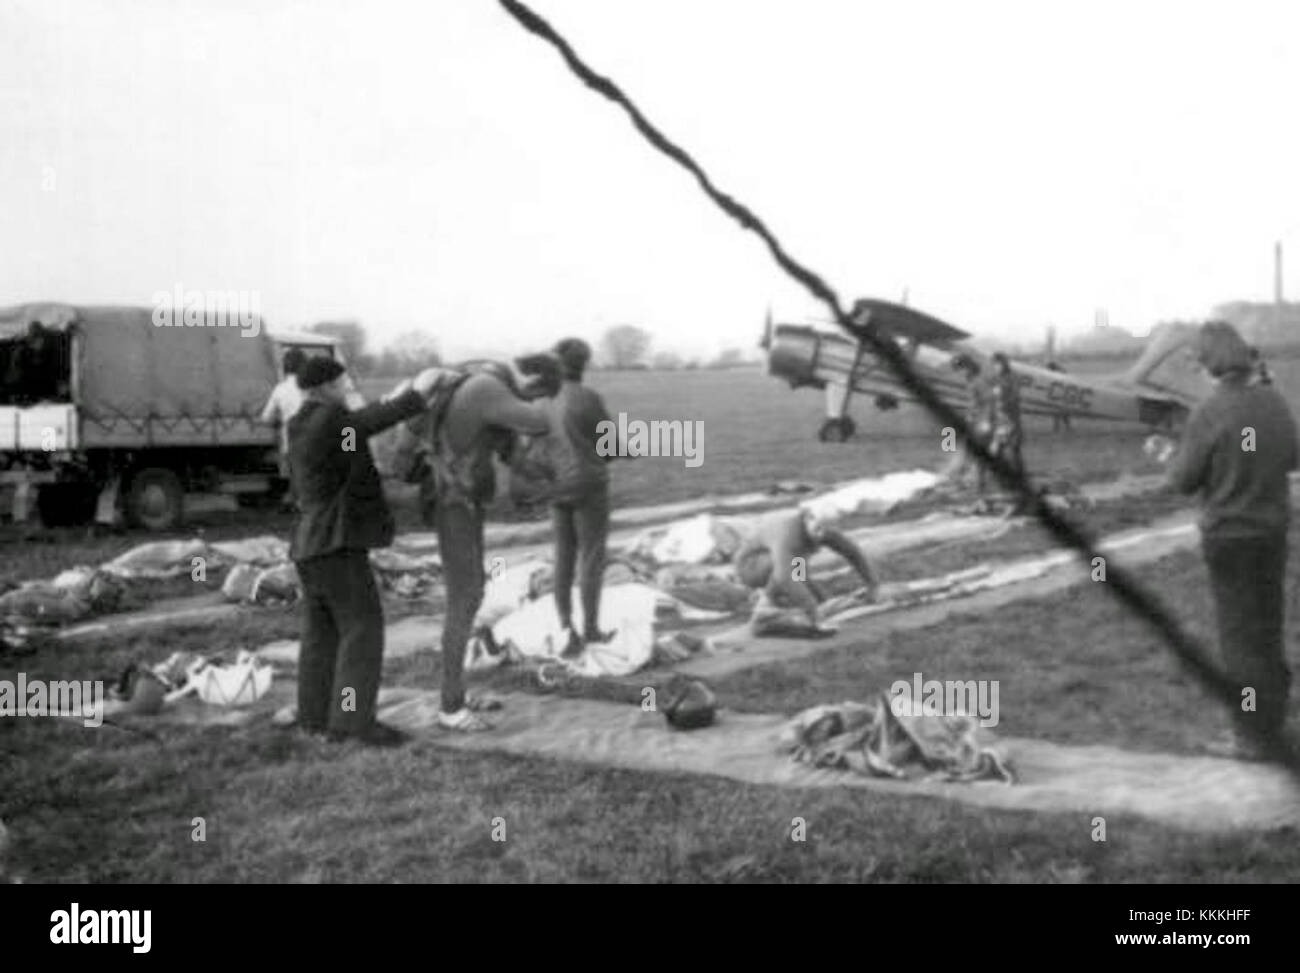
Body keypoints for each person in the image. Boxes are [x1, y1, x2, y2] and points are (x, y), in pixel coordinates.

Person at [285, 356, 442, 746]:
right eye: (345, 382)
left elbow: (355, 432)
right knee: (362, 630)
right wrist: (422, 389)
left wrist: (392, 401)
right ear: (329, 386)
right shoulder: (332, 420)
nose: (349, 386)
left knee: (321, 635)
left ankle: (314, 717)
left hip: (310, 545)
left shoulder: (301, 421)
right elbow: (366, 422)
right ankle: (354, 723)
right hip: (336, 542)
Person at [1164, 320, 1298, 761]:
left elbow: (1184, 481)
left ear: (1210, 363)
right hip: (1271, 535)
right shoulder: (1274, 402)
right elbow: (1291, 456)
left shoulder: (1210, 411)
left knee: (1240, 643)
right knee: (1267, 631)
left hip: (1230, 538)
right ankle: (1272, 724)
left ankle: (1250, 737)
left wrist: (1171, 456)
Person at [426, 357, 553, 732]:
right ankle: (450, 708)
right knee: (462, 600)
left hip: (465, 504)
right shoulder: (484, 388)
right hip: (453, 504)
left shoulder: (490, 399)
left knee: (473, 594)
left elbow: (517, 460)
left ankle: (459, 695)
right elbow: (539, 421)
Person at [544, 338, 621, 656]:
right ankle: (591, 629)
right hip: (589, 485)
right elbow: (611, 447)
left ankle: (565, 627)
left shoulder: (543, 400)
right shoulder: (589, 398)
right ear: (583, 365)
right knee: (590, 557)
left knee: (562, 557)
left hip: (555, 484)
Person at [733, 504, 878, 637]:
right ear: (808, 518)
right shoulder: (789, 533)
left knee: (817, 596)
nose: (821, 536)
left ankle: (783, 603)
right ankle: (764, 610)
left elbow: (852, 553)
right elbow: (784, 576)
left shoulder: (822, 528)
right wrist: (814, 614)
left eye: (826, 532)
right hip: (750, 566)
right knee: (790, 570)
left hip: (789, 561)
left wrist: (872, 584)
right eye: (818, 530)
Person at [261, 348, 308, 509]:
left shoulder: (280, 390)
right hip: (315, 441)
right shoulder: (312, 388)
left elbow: (266, 417)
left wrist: (280, 422)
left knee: (297, 477)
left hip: (292, 443)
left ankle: (298, 505)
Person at [1046, 360, 1072, 431]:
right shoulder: (1059, 372)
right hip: (1058, 396)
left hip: (1058, 396)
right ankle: (1064, 427)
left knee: (1060, 413)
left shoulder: (1054, 373)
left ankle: (1061, 427)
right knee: (1062, 412)